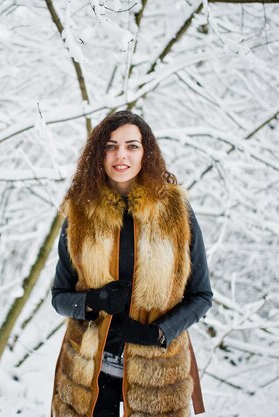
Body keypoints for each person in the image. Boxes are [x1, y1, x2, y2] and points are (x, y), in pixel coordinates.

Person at [50, 111, 213, 417]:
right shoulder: (79, 213)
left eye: (132, 146)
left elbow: (202, 297)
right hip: (89, 379)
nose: (120, 155)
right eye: (110, 146)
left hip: (159, 379)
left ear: (146, 152)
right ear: (98, 154)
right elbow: (59, 297)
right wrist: (92, 301)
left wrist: (160, 333)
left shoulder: (176, 212)